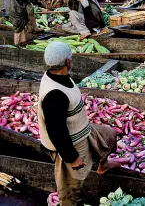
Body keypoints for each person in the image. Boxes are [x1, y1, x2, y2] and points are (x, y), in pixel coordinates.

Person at [39, 41, 118, 205]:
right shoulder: (54, 95)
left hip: (83, 129)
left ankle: (102, 165)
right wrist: (72, 158)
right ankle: (69, 202)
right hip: (69, 142)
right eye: (71, 59)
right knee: (72, 184)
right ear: (67, 62)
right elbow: (56, 131)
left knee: (109, 135)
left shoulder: (58, 75)